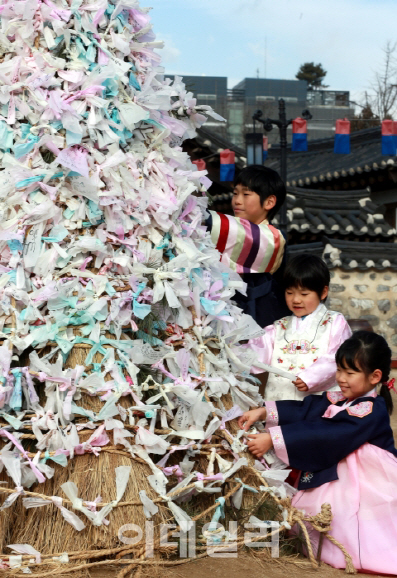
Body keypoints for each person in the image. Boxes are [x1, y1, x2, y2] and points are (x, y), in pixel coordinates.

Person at [239, 331, 397, 574]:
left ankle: (359, 552)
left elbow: (328, 434)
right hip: (344, 474)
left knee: (363, 523)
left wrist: (273, 438)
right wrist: (263, 412)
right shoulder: (343, 398)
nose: (341, 379)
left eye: (350, 372)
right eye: (339, 370)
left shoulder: (370, 409)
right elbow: (307, 409)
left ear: (375, 376)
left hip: (368, 479)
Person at [248, 253, 351, 401]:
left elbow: (338, 358)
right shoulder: (278, 327)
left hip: (319, 403)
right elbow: (257, 352)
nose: (296, 300)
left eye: (304, 293)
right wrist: (229, 353)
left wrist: (311, 377)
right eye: (290, 293)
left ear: (323, 292)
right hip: (281, 400)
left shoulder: (335, 322)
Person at [206, 165, 290, 327]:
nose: (237, 200)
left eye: (246, 194)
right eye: (235, 193)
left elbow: (240, 233)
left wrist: (192, 209)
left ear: (269, 202)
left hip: (261, 319)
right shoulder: (230, 231)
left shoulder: (275, 238)